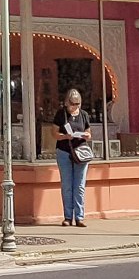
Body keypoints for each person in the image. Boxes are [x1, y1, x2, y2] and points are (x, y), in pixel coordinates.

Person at [53, 88, 92, 226]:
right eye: (72, 104)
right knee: (67, 185)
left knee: (79, 185)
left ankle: (80, 216)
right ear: (67, 103)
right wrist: (65, 136)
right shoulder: (61, 114)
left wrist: (85, 135)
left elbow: (89, 133)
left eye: (77, 104)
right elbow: (54, 134)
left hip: (80, 151)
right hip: (64, 151)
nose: (75, 107)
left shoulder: (84, 115)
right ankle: (68, 216)